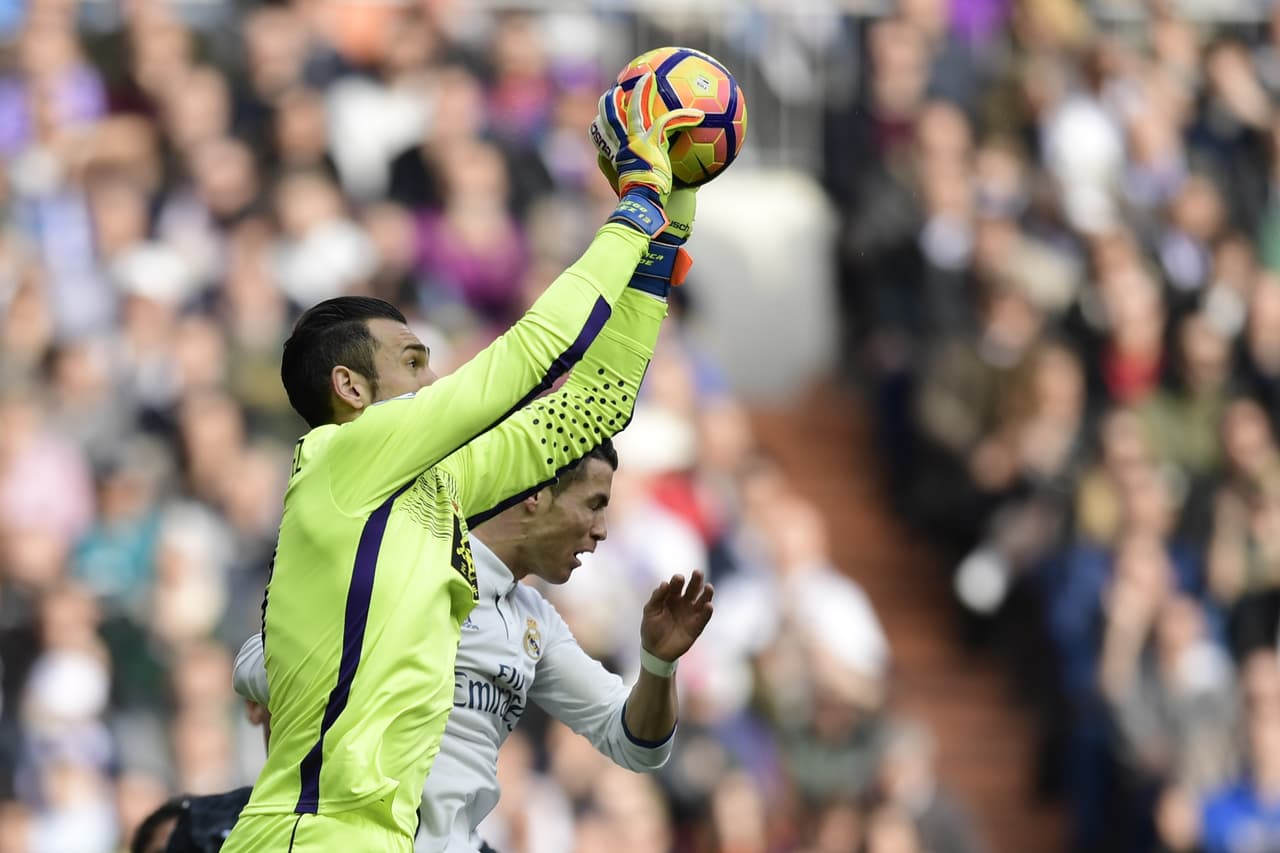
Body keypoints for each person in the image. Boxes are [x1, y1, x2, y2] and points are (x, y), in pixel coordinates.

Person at [220, 75, 705, 851]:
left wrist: (665, 240)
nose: (433, 376)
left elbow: (597, 403)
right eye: (411, 361)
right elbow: (531, 354)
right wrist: (636, 208)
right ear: (349, 387)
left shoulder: (434, 492)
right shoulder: (343, 453)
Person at [232, 439, 715, 852]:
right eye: (593, 504)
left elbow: (635, 743)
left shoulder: (536, 619)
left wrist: (657, 663)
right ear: (536, 494)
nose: (602, 530)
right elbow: (255, 664)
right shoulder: (402, 566)